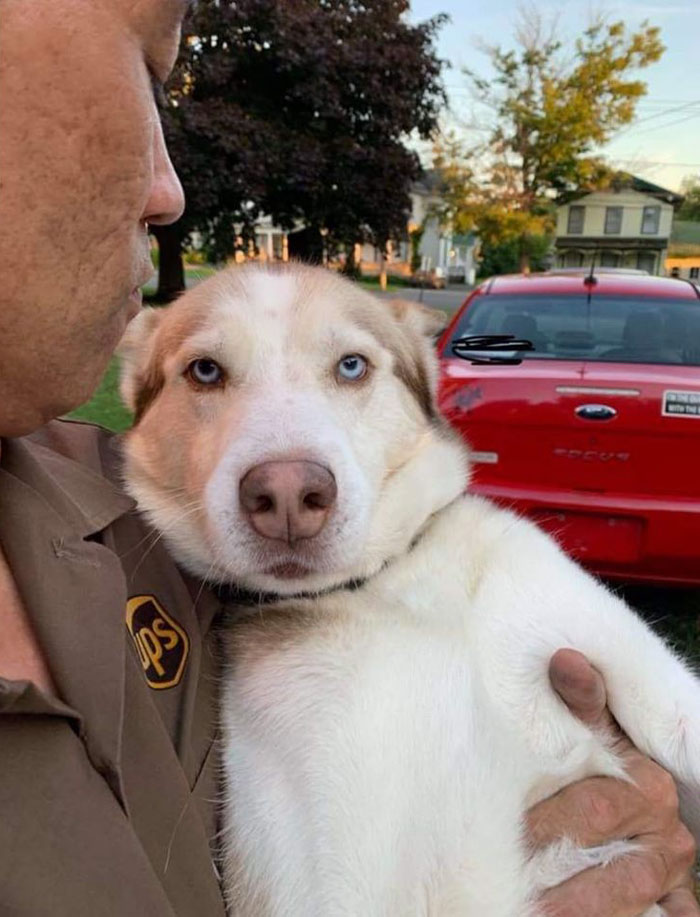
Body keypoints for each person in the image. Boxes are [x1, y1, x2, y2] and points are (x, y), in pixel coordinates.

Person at [0, 0, 696, 914]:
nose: (287, 475)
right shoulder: (211, 604)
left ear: (419, 397)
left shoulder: (492, 558)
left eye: (351, 368)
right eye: (209, 370)